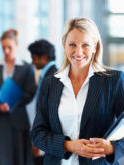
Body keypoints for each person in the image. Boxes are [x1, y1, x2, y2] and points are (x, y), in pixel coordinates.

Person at [30, 17, 124, 165]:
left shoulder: (114, 81)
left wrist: (112, 148)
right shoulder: (50, 83)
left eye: (85, 45)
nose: (78, 52)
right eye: (72, 44)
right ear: (64, 45)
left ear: (95, 46)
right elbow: (37, 134)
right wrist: (69, 146)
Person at [0, 29, 36, 165]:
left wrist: (12, 101)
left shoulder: (26, 68)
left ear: (16, 46)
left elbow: (30, 93)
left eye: (9, 47)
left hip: (17, 122)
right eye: (3, 47)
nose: (6, 51)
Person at [28, 39, 57, 165]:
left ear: (44, 57)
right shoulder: (47, 75)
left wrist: (40, 144)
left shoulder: (51, 78)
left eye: (34, 58)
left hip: (46, 140)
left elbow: (50, 114)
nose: (32, 62)